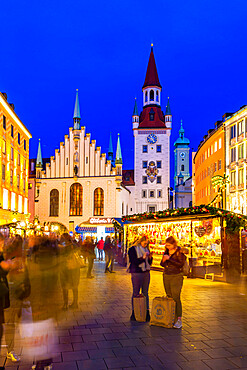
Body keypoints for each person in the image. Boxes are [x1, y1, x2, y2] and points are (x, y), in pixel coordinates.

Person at [160, 236, 186, 329]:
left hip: (176, 276)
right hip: (166, 275)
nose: (167, 247)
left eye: (169, 245)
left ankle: (178, 319)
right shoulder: (166, 251)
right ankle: (170, 316)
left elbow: (181, 264)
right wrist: (163, 260)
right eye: (166, 245)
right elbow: (162, 264)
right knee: (169, 296)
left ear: (174, 244)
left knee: (176, 297)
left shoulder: (180, 252)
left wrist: (169, 259)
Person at [128, 235, 153, 322]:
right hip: (136, 272)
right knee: (136, 292)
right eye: (144, 242)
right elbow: (133, 261)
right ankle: (135, 312)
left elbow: (149, 263)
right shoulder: (133, 249)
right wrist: (143, 258)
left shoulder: (147, 249)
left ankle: (146, 312)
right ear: (140, 241)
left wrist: (150, 258)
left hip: (146, 272)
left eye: (147, 243)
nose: (145, 244)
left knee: (145, 292)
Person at [59, 233, 80, 309]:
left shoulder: (63, 248)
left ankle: (65, 304)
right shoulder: (74, 245)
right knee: (75, 286)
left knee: (65, 287)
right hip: (75, 269)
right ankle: (75, 303)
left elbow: (61, 257)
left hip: (66, 269)